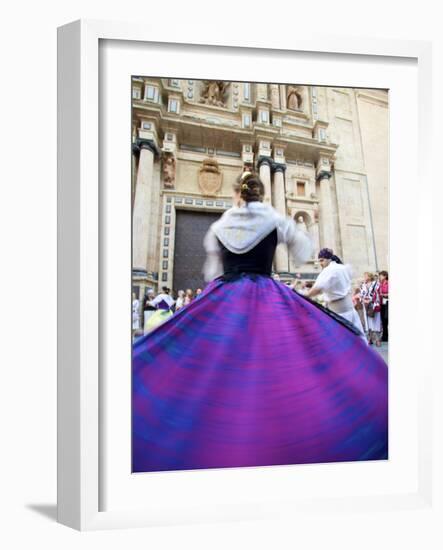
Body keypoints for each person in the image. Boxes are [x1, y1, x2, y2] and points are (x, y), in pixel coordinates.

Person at [132, 170, 388, 473]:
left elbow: (211, 272)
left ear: (237, 194)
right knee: (283, 356)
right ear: (262, 193)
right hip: (267, 293)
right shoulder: (274, 218)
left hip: (225, 296)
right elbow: (304, 250)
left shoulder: (220, 223)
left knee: (221, 361)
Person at [307, 249, 366, 338]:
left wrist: (304, 296)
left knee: (342, 342)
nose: (320, 263)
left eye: (322, 260)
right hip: (348, 311)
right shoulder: (343, 267)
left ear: (328, 259)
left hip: (340, 314)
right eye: (319, 261)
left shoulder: (329, 270)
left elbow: (317, 288)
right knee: (354, 341)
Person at [361, 273, 382, 346]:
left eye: (365, 276)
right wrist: (363, 300)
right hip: (366, 305)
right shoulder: (363, 285)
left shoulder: (376, 283)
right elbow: (361, 294)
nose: (364, 277)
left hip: (374, 304)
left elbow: (377, 294)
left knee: (376, 321)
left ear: (369, 277)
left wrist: (370, 300)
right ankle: (370, 338)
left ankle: (378, 340)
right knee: (368, 323)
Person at [379, 271, 389, 342]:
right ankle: (385, 336)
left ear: (385, 276)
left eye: (381, 276)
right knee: (383, 321)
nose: (380, 277)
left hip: (387, 303)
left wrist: (384, 295)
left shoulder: (388, 283)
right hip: (382, 304)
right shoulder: (380, 284)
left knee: (387, 319)